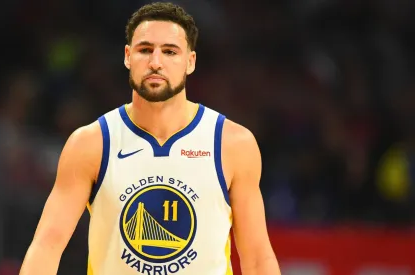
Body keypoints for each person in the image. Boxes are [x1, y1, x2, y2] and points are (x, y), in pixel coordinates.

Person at [19, 2, 281, 275]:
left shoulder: (233, 143)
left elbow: (257, 259)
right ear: (127, 56)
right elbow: (47, 245)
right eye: (145, 50)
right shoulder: (91, 143)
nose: (156, 62)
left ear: (190, 62)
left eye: (169, 52)